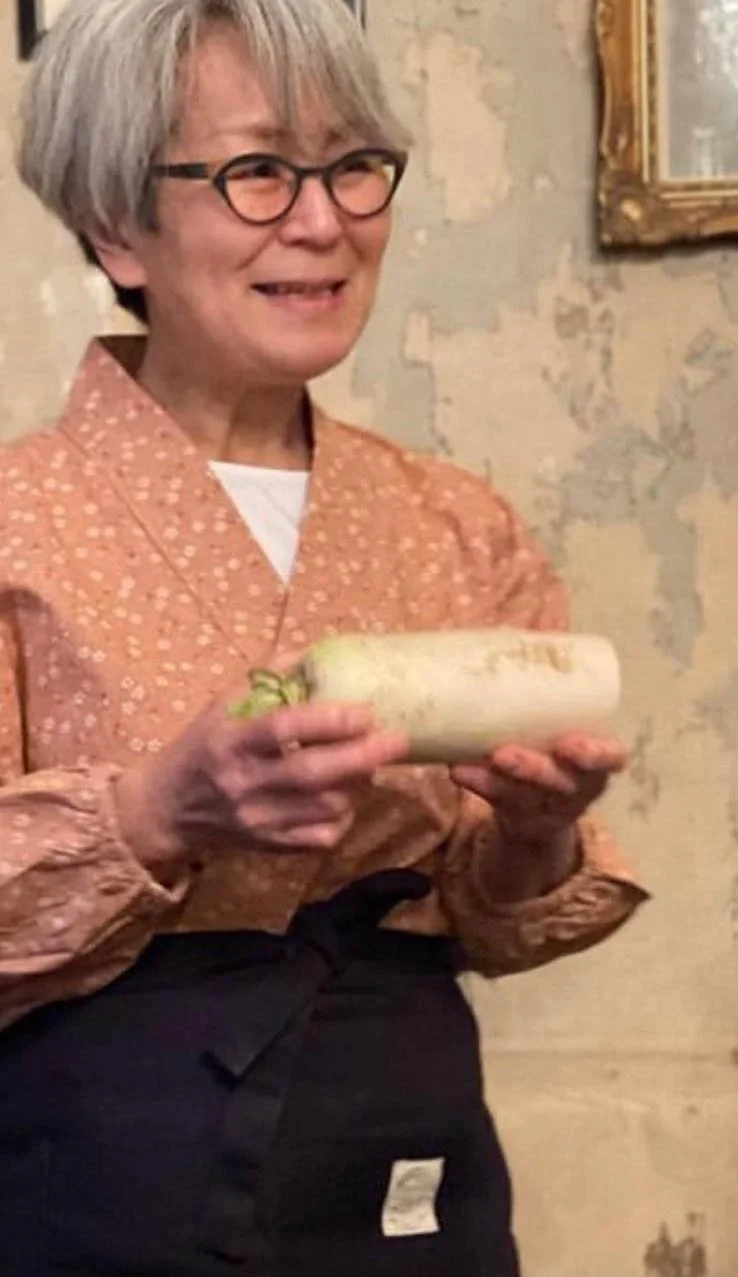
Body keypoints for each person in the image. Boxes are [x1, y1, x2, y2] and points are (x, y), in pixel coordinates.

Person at [0, 1, 647, 1273]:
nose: (322, 219)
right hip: (102, 1187)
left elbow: (501, 922)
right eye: (256, 170)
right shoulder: (19, 521)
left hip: (408, 1169)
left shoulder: (457, 526)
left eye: (353, 164)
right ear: (115, 225)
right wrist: (154, 809)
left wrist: (533, 829)